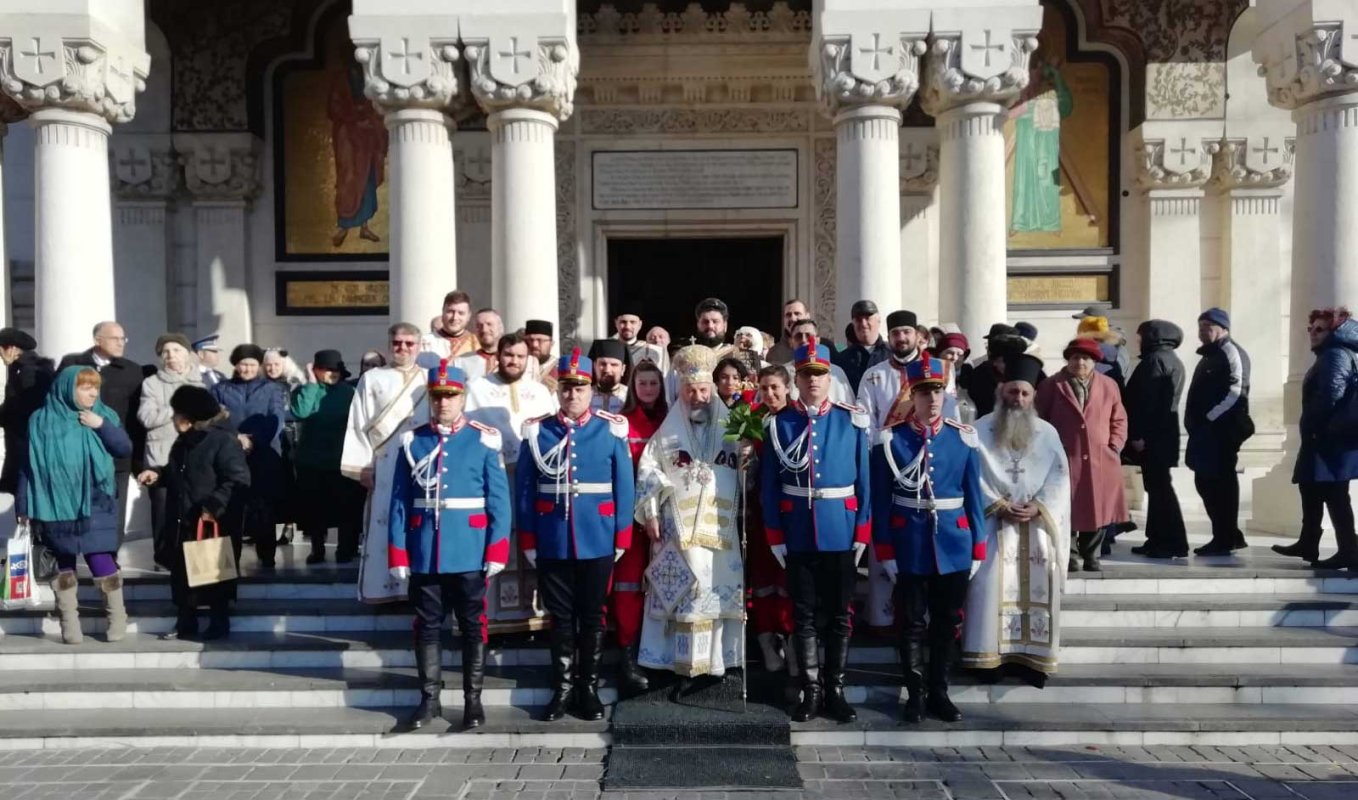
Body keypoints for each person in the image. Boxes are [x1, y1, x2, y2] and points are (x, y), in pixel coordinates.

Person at [387, 361, 510, 731]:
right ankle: (429, 700)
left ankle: (473, 703)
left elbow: (498, 501)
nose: (443, 403)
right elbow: (399, 501)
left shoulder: (484, 437)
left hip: (470, 548)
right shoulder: (413, 440)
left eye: (450, 396)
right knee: (427, 626)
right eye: (437, 396)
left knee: (473, 626)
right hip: (425, 548)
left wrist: (497, 549)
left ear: (463, 397)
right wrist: (398, 551)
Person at [516, 348, 634, 722]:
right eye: (566, 387)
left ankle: (588, 688)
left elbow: (624, 487)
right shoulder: (537, 431)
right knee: (560, 617)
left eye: (579, 388)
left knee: (594, 615)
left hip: (597, 535)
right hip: (553, 536)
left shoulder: (610, 426)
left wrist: (622, 536)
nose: (572, 395)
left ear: (590, 389)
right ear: (558, 390)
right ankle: (563, 688)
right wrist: (529, 541)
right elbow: (524, 490)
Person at [871, 353, 985, 723]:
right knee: (912, 622)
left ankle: (940, 691)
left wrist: (978, 545)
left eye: (936, 391)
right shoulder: (891, 440)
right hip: (911, 544)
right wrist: (885, 548)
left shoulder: (963, 438)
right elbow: (881, 500)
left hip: (953, 543)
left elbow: (974, 497)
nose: (932, 399)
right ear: (912, 396)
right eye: (923, 392)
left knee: (947, 621)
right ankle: (915, 693)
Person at [763, 336, 870, 724]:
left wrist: (863, 530)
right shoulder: (780, 423)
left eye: (819, 375)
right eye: (806, 375)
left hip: (840, 529)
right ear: (797, 378)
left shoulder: (850, 419)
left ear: (829, 379)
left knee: (840, 614)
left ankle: (835, 688)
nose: (813, 381)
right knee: (804, 614)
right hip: (798, 531)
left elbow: (864, 483)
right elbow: (771, 485)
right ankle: (811, 690)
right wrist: (775, 533)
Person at [636, 344, 744, 680]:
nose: (697, 397)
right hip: (678, 530)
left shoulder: (731, 428)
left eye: (702, 390)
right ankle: (676, 665)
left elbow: (749, 476)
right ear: (681, 392)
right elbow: (648, 471)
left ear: (712, 390)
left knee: (716, 592)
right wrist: (651, 512)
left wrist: (748, 461)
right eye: (690, 391)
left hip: (720, 530)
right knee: (683, 592)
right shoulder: (668, 432)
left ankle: (718, 663)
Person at [962, 354, 1071, 687]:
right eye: (1012, 392)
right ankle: (987, 662)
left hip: (1035, 530)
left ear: (1033, 395)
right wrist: (996, 504)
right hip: (994, 528)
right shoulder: (979, 429)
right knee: (988, 590)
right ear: (1001, 391)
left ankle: (1032, 662)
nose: (1018, 399)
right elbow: (970, 475)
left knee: (1037, 589)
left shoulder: (1048, 433)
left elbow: (1061, 477)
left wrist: (1039, 506)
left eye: (1024, 393)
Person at [17, 366, 133, 644]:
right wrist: (23, 504)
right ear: (67, 389)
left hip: (95, 500)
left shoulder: (103, 415)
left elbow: (124, 449)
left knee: (100, 558)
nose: (92, 392)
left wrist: (101, 425)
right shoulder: (40, 420)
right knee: (63, 563)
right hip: (54, 501)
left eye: (95, 386)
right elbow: (27, 465)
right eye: (85, 387)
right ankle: (69, 621)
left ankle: (117, 616)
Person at [139, 386, 250, 640]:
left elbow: (238, 479)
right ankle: (185, 621)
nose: (172, 418)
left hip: (212, 524)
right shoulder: (183, 442)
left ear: (189, 417)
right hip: (184, 519)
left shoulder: (222, 440)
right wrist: (157, 474)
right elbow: (177, 472)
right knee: (183, 573)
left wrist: (213, 506)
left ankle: (219, 622)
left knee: (215, 573)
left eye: (176, 413)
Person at [464, 332, 556, 627]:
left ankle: (534, 615)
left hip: (533, 477)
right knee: (498, 536)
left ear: (527, 358)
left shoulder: (540, 391)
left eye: (519, 356)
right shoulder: (477, 388)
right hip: (495, 476)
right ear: (497, 356)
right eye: (508, 355)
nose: (513, 361)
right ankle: (492, 617)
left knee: (531, 536)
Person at [344, 323, 432, 603]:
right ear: (389, 344)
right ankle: (383, 590)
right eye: (398, 343)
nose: (403, 348)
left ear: (419, 347)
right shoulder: (372, 378)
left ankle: (419, 589)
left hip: (422, 464)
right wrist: (363, 466)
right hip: (384, 464)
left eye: (409, 343)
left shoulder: (429, 379)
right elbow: (358, 423)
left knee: (419, 524)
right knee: (383, 524)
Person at [1036, 338, 1129, 572]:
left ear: (1094, 361)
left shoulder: (1108, 385)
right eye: (1075, 357)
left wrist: (1114, 444)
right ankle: (1070, 554)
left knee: (1097, 509)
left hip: (1101, 458)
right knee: (1067, 507)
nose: (1080, 362)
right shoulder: (1052, 385)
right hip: (1065, 457)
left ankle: (1092, 555)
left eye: (1086, 358)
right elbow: (1039, 418)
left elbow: (1119, 418)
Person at [1275, 309, 1358, 569]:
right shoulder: (1329, 355)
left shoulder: (1335, 355)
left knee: (1335, 495)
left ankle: (1349, 550)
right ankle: (1309, 541)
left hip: (1331, 437)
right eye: (1310, 329)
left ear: (1334, 332)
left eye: (1319, 329)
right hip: (1326, 436)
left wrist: (1312, 424)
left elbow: (1331, 394)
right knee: (1310, 486)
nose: (1312, 333)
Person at [59, 321, 144, 544]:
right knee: (77, 507)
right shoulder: (72, 365)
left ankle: (110, 559)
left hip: (116, 454)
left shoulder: (132, 371)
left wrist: (138, 462)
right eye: (115, 338)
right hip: (78, 453)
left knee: (114, 510)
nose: (121, 343)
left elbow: (136, 420)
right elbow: (58, 402)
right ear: (98, 340)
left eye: (123, 338)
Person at [611, 360, 667, 694]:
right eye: (642, 383)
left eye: (653, 384)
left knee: (665, 584)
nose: (648, 389)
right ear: (633, 387)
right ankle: (628, 654)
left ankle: (660, 653)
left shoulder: (671, 420)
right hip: (631, 516)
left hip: (666, 515)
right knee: (629, 586)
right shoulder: (621, 422)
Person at [1185, 307, 1254, 556]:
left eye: (1209, 326)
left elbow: (1237, 390)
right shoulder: (1210, 354)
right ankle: (1229, 534)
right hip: (1206, 431)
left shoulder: (1230, 351)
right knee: (1205, 480)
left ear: (1224, 329)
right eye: (1201, 326)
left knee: (1218, 483)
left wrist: (1210, 417)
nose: (1203, 331)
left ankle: (1224, 538)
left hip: (1221, 431)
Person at [211, 344, 286, 570]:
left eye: (252, 364)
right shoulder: (220, 389)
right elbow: (215, 418)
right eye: (243, 364)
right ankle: (230, 557)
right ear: (235, 365)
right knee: (231, 507)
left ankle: (267, 555)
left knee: (263, 507)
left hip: (263, 456)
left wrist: (253, 440)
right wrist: (236, 438)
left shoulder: (271, 389)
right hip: (229, 455)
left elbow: (276, 418)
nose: (247, 369)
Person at [137, 333, 205, 567]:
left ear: (187, 354)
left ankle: (193, 561)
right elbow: (147, 417)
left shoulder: (201, 383)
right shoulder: (152, 383)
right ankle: (163, 557)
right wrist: (176, 408)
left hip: (194, 458)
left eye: (176, 350)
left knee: (193, 509)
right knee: (163, 512)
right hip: (161, 458)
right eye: (166, 352)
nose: (171, 356)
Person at [291, 350, 363, 564]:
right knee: (315, 510)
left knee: (346, 509)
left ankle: (345, 549)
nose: (331, 373)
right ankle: (317, 549)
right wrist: (311, 383)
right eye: (325, 369)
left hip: (342, 460)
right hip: (312, 462)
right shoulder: (305, 390)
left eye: (335, 370)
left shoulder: (349, 392)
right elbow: (301, 412)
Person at [1125, 320, 1188, 559]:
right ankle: (1157, 538)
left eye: (1141, 336)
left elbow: (1147, 402)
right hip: (1162, 436)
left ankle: (1170, 541)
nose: (1138, 341)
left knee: (1160, 490)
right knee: (1158, 488)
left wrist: (1139, 435)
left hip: (1153, 438)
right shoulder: (1168, 359)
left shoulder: (1156, 361)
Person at [748, 364, 795, 675]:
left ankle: (792, 648)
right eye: (764, 388)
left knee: (789, 582)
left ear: (787, 387)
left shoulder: (797, 419)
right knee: (763, 582)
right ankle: (767, 645)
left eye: (775, 388)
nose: (770, 394)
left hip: (791, 513)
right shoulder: (752, 420)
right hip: (758, 511)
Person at [0, 327, 54, 500]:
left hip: (27, 449)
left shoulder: (28, 372)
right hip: (23, 448)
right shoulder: (20, 369)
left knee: (27, 505)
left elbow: (20, 408)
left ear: (11, 349)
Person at [858, 310, 925, 436]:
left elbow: (949, 416)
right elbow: (867, 421)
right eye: (895, 333)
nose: (901, 338)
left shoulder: (938, 370)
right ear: (888, 338)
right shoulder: (873, 375)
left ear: (917, 335)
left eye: (906, 332)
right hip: (888, 449)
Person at [264, 348, 303, 547]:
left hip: (292, 440)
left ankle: (291, 526)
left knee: (293, 485)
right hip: (271, 441)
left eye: (276, 364)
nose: (272, 368)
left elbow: (299, 412)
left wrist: (278, 415)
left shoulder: (294, 384)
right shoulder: (261, 385)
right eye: (268, 364)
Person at [783, 319, 853, 404]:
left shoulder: (836, 372)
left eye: (809, 336)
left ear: (818, 340)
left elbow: (847, 406)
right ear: (791, 342)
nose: (804, 340)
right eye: (798, 336)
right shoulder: (783, 373)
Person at [833, 300, 889, 394]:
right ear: (853, 324)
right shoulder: (841, 360)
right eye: (858, 319)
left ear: (878, 320)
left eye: (868, 318)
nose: (863, 323)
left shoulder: (892, 355)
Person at [933, 332, 977, 424]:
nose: (955, 358)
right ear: (940, 354)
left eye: (959, 354)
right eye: (950, 353)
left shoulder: (971, 375)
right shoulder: (932, 373)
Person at [420, 290, 477, 361]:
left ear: (469, 316)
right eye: (450, 312)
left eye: (461, 313)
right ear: (443, 312)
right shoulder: (425, 343)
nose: (455, 318)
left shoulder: (478, 344)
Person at [456, 308, 504, 381]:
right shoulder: (462, 361)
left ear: (500, 327)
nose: (484, 329)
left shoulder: (514, 360)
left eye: (489, 324)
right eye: (479, 325)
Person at [589, 339, 630, 413]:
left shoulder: (631, 397)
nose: (607, 370)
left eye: (614, 365)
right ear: (595, 366)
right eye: (603, 364)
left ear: (623, 369)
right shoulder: (584, 396)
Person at [766, 298, 809, 365]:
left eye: (797, 313)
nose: (792, 318)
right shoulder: (774, 353)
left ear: (807, 316)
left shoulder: (824, 347)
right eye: (788, 315)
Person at [523, 319, 558, 391]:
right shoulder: (518, 366)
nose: (534, 345)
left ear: (551, 343)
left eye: (540, 340)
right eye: (530, 340)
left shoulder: (560, 368)